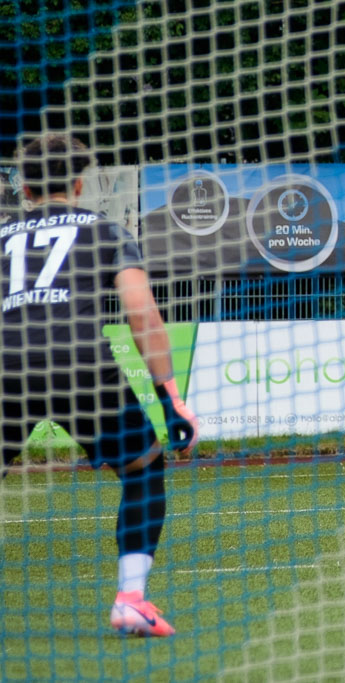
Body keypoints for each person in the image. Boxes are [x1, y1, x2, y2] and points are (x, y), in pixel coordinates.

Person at [1, 133, 199, 636]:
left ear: (24, 188)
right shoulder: (104, 230)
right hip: (82, 366)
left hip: (7, 365)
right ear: (78, 182)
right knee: (143, 469)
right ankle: (131, 600)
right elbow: (142, 314)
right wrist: (170, 398)